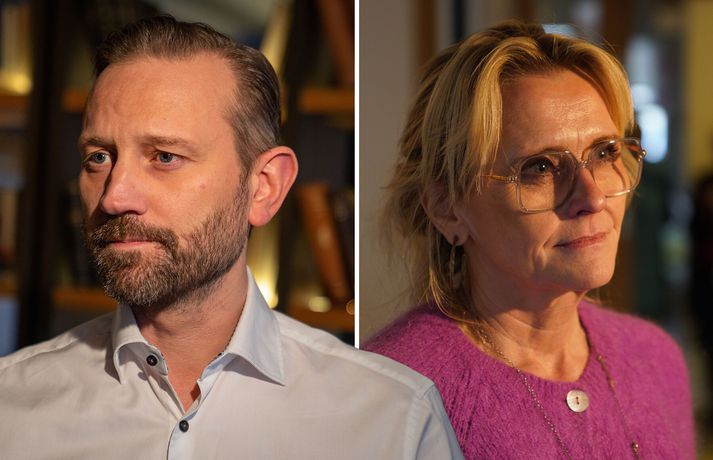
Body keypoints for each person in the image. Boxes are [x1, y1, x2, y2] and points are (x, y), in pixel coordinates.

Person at [0, 16, 462, 459]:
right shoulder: (12, 407)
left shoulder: (392, 419)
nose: (115, 196)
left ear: (264, 187)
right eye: (99, 157)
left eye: (165, 157)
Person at [365, 20, 694, 459]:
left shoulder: (655, 357)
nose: (593, 197)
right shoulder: (390, 394)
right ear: (447, 208)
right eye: (539, 167)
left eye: (604, 153)